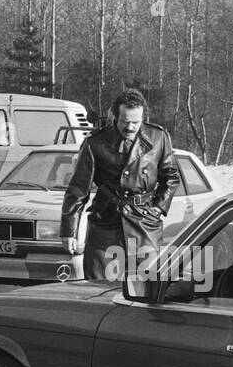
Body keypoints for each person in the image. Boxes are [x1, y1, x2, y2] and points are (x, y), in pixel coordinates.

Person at [60, 89, 179, 281]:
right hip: (105, 224)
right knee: (100, 287)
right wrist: (69, 230)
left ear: (143, 117)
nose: (130, 127)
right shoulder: (95, 143)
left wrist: (158, 208)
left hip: (144, 223)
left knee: (145, 288)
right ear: (115, 116)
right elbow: (77, 189)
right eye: (125, 121)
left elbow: (171, 176)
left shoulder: (158, 138)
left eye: (135, 122)